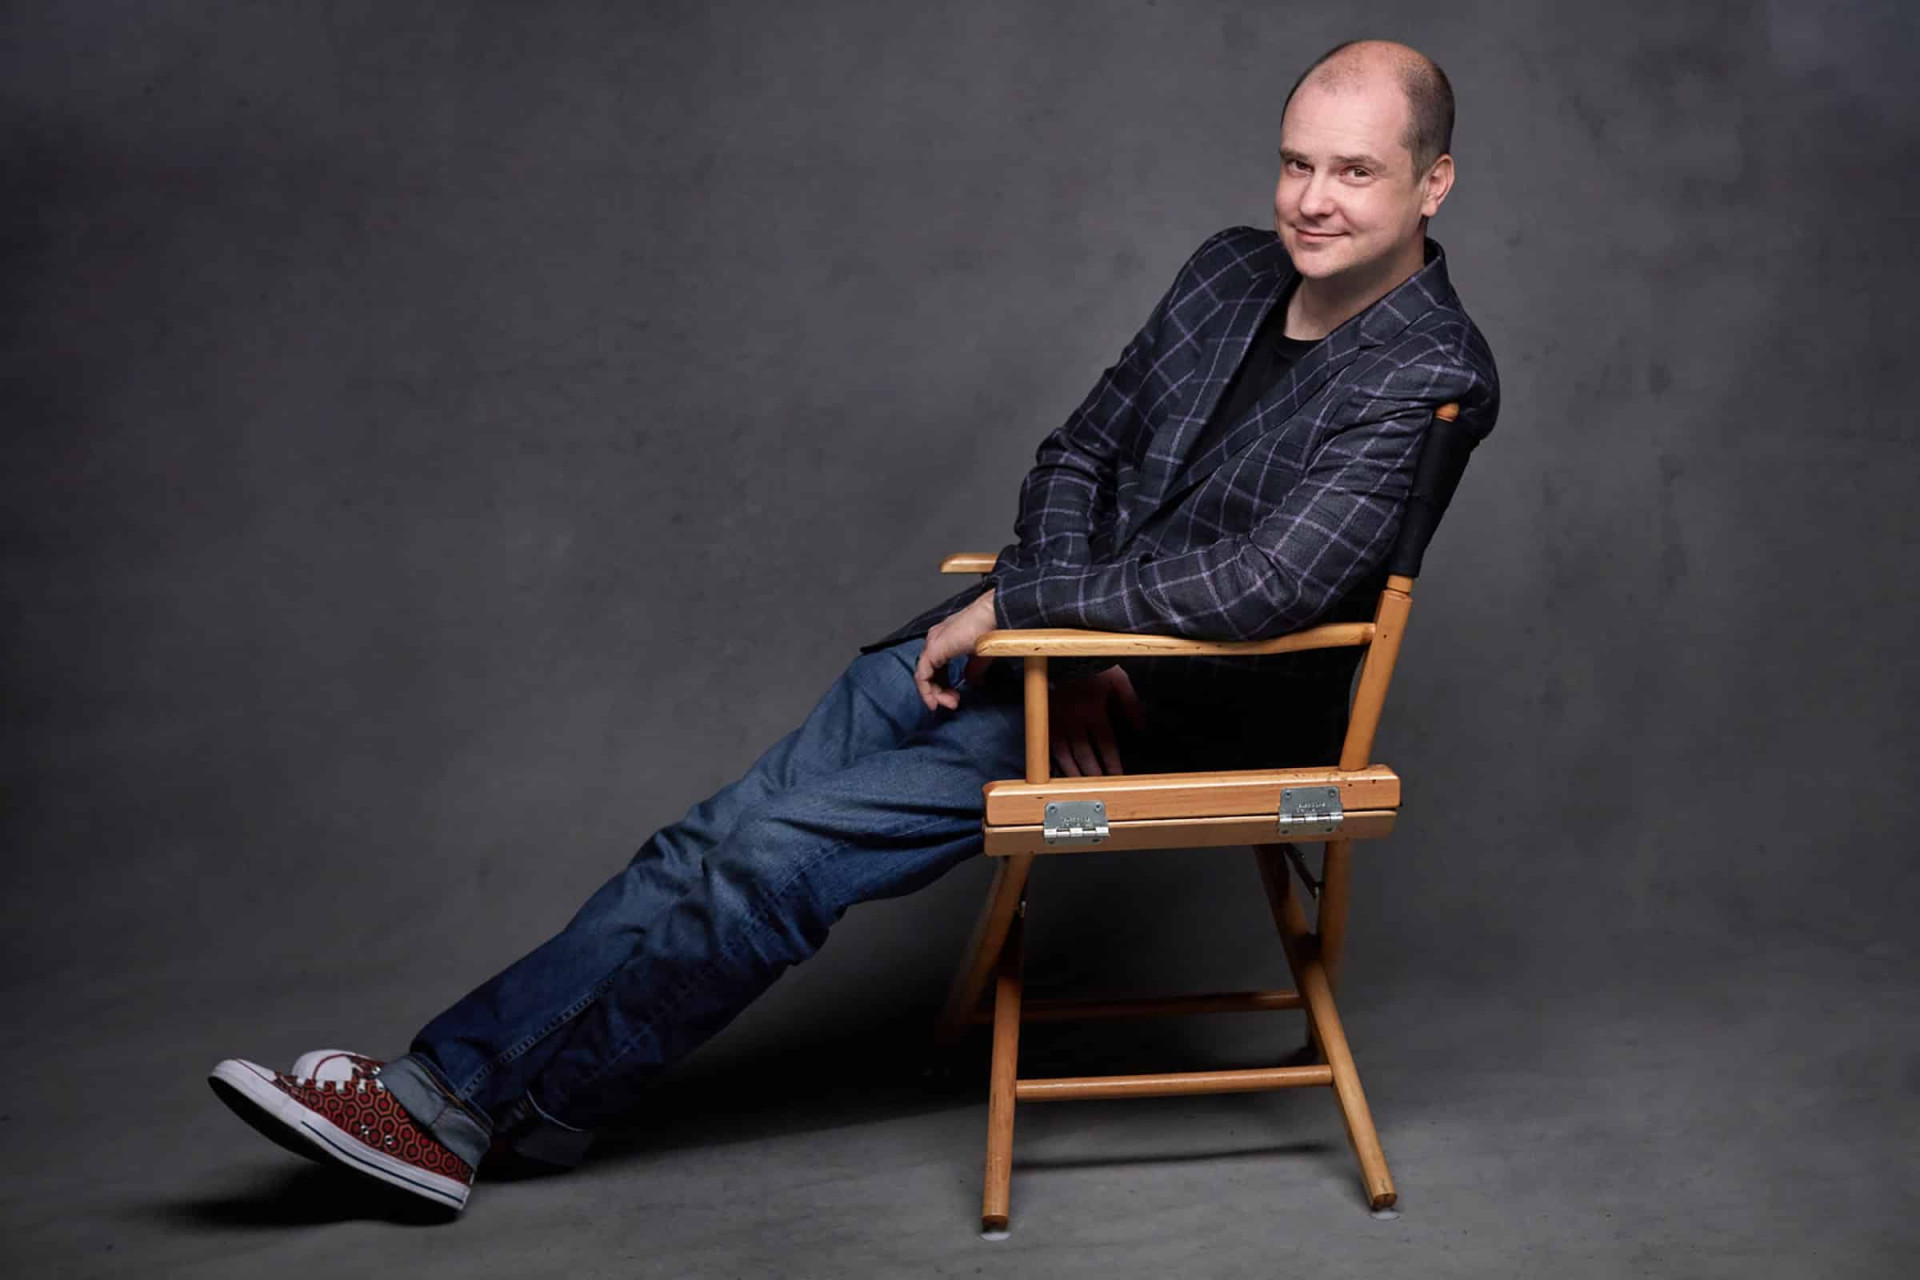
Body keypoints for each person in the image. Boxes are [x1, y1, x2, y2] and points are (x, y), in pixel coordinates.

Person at [208, 37, 1500, 1215]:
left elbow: (1263, 588)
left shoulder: (1428, 369)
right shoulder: (1228, 270)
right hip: (1053, 662)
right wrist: (1055, 638)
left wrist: (1035, 618)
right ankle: (471, 1100)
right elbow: (1080, 451)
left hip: (1188, 723)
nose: (1310, 201)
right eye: (1295, 163)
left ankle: (460, 1103)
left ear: (1432, 184)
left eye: (1355, 172)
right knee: (714, 835)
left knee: (770, 854)